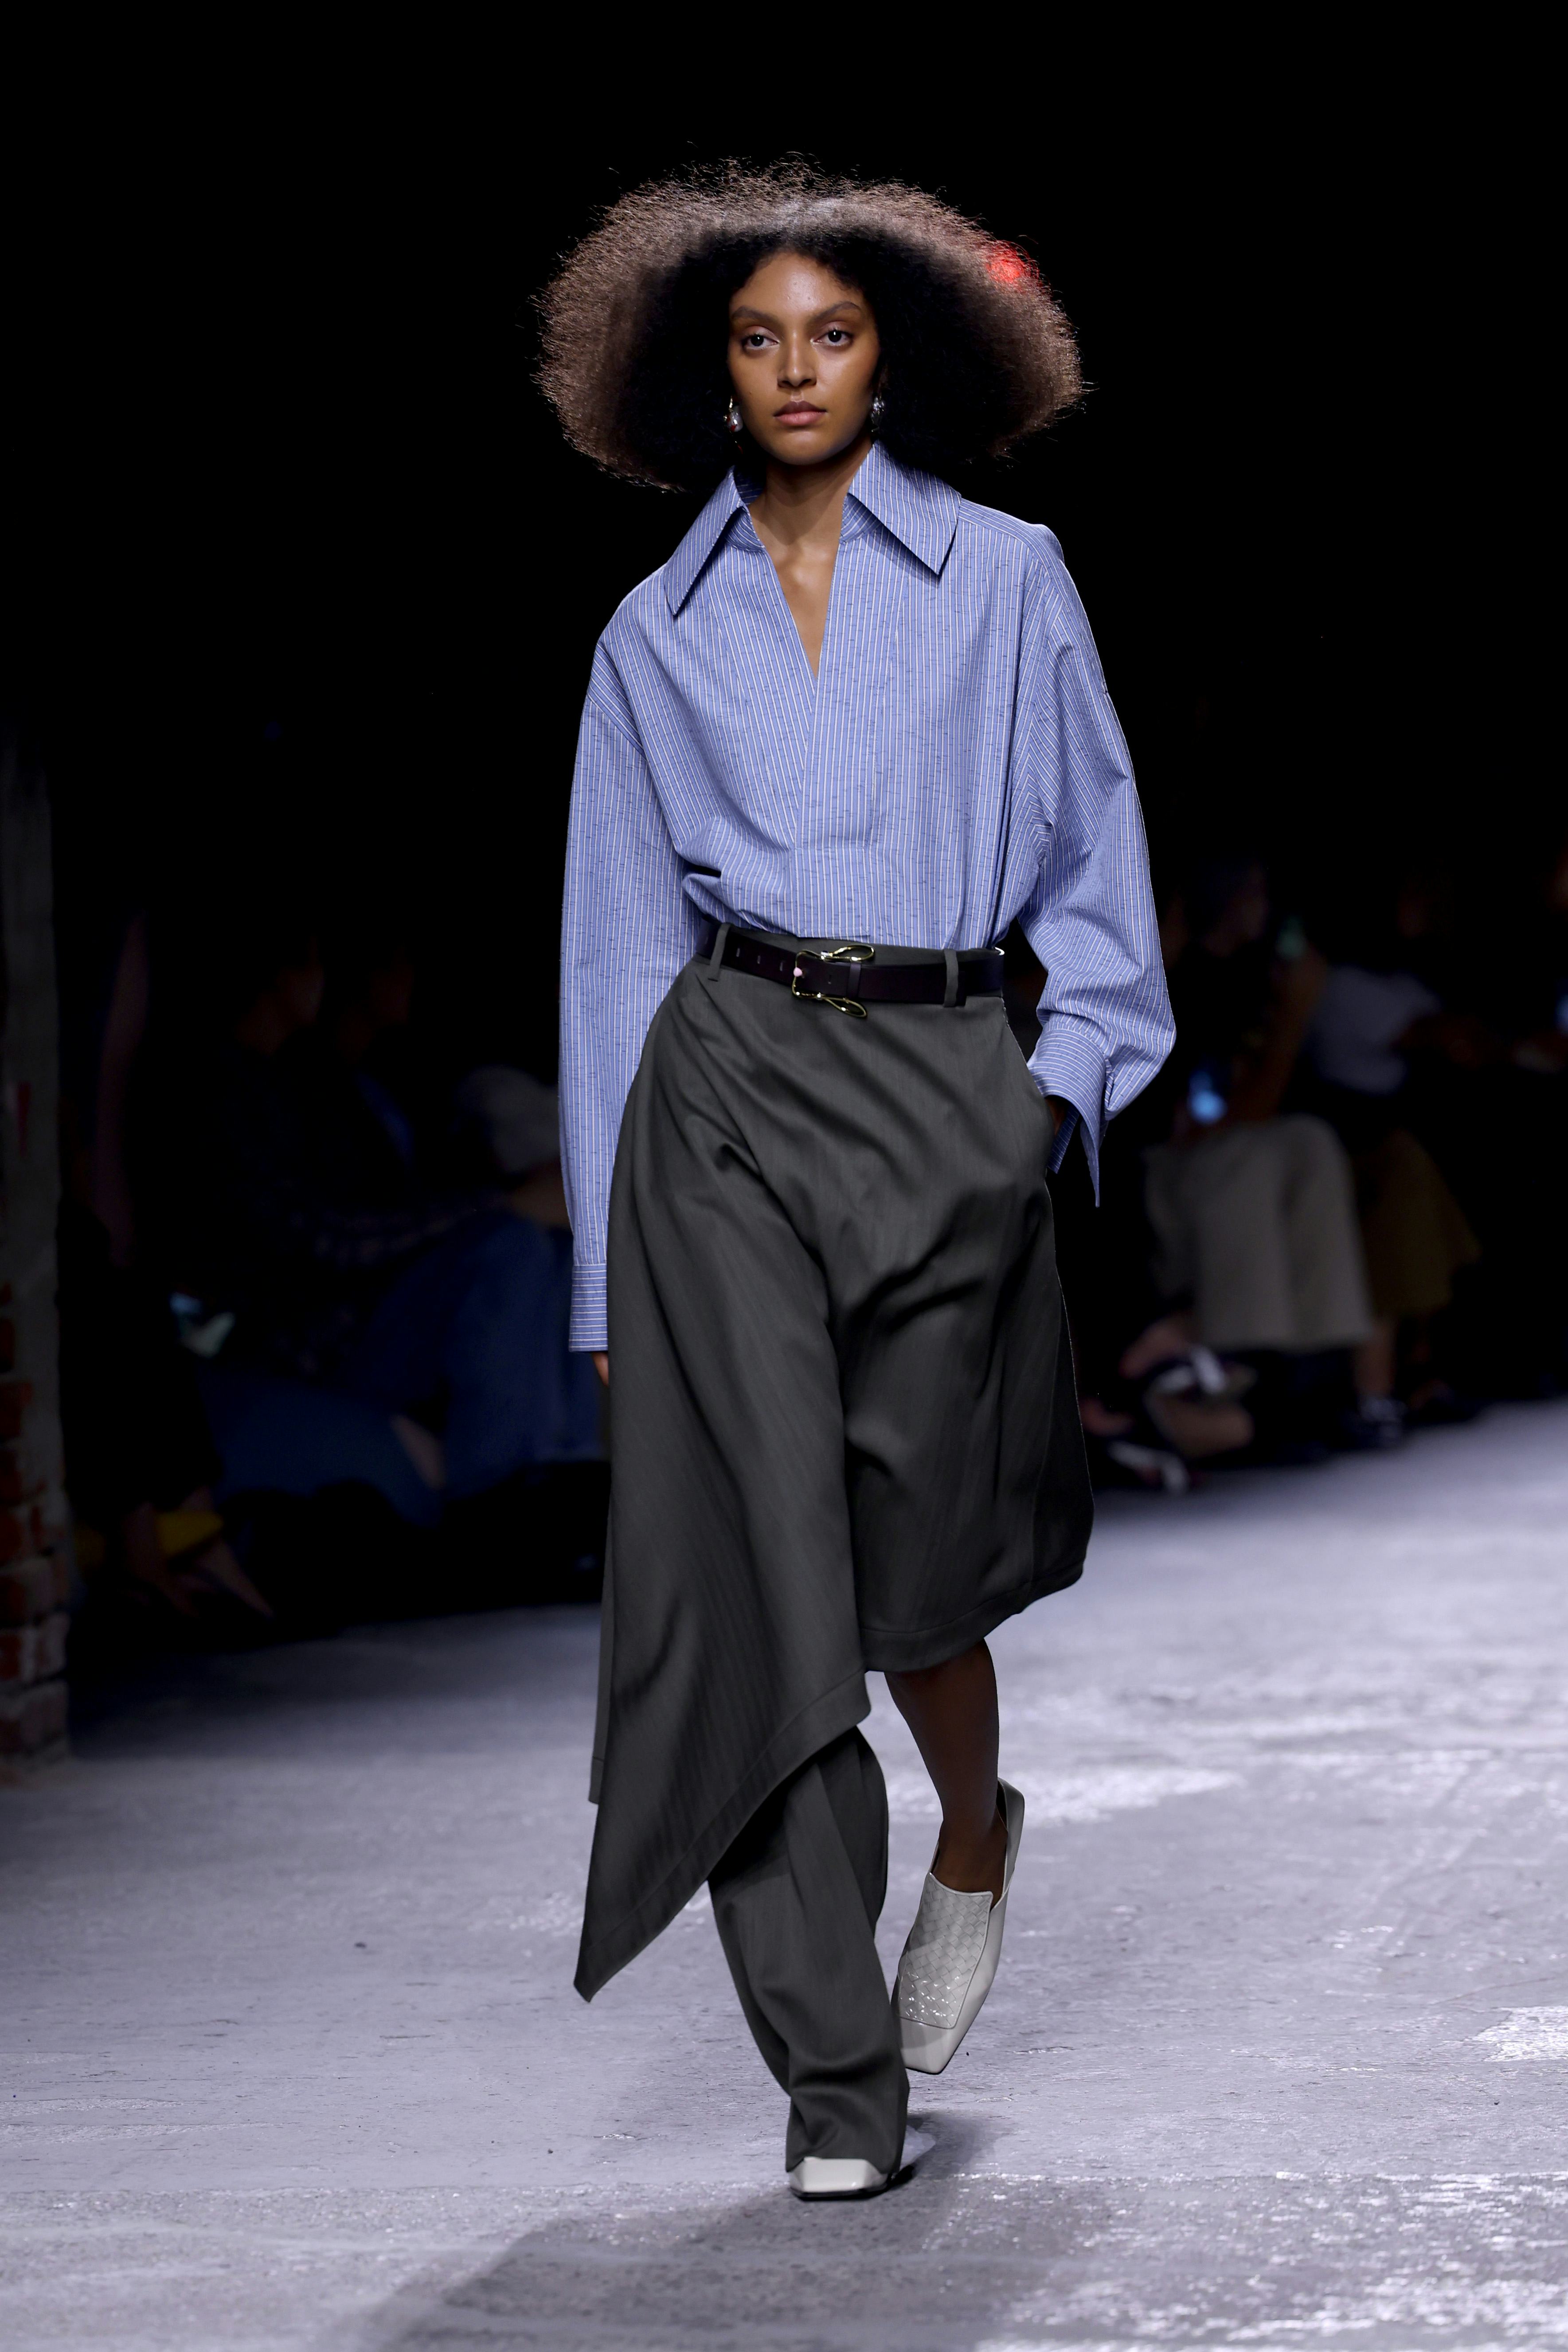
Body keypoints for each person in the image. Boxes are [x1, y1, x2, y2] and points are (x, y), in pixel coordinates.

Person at [542, 166, 1173, 2199]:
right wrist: (603, 1292)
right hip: (720, 1092)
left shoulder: (1006, 578)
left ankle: (973, 1826)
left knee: (917, 1580)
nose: (797, 367)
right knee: (760, 1587)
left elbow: (1096, 870)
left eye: (832, 330)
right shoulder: (654, 634)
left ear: (895, 348)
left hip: (939, 1079)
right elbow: (616, 952)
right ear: (704, 373)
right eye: (757, 337)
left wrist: (1042, 1104)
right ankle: (835, 2073)